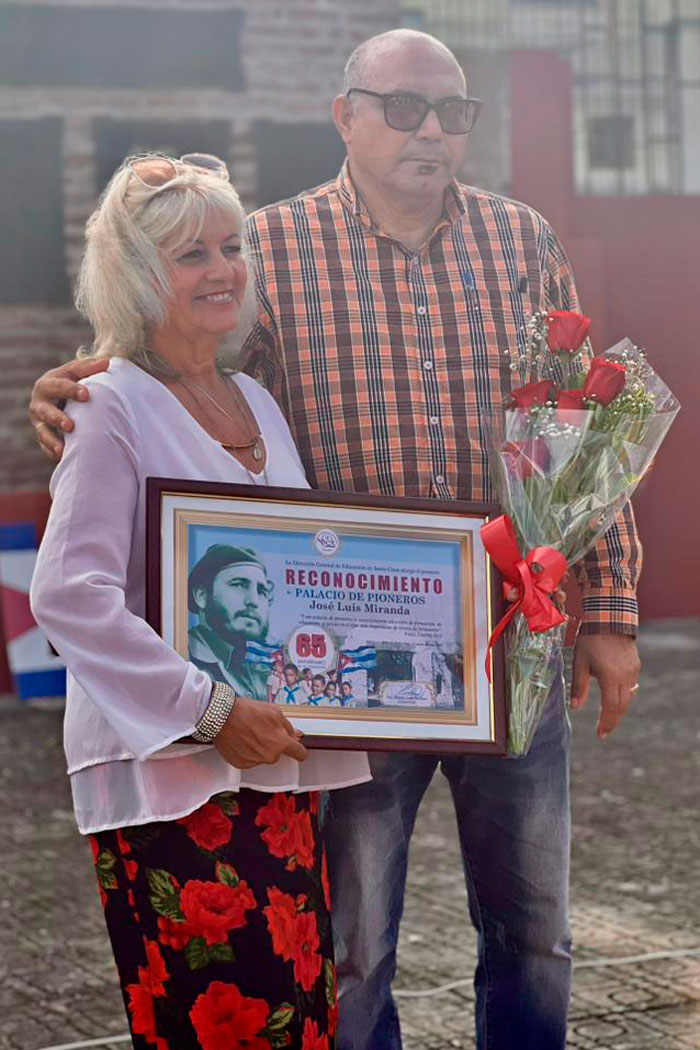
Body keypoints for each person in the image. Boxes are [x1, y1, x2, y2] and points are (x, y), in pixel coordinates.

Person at [29, 29, 642, 1050]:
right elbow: (181, 358)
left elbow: (577, 424)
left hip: (510, 646)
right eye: (403, 108)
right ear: (343, 116)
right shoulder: (270, 246)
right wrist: (81, 378)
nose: (431, 131)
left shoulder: (522, 238)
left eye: (452, 111)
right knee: (349, 941)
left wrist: (612, 612)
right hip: (347, 668)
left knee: (535, 928)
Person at [29, 153, 370, 1050]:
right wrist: (212, 712)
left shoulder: (255, 396)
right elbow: (67, 593)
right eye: (190, 255)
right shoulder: (107, 404)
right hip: (175, 783)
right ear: (139, 276)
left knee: (299, 1019)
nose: (221, 270)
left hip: (275, 770)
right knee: (224, 1029)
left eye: (231, 246)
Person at [188, 543, 273, 700]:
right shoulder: (181, 659)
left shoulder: (266, 669)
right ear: (201, 596)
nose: (253, 601)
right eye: (239, 584)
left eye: (261, 591)